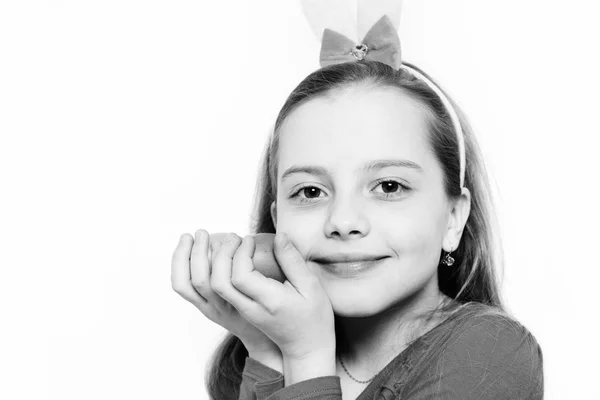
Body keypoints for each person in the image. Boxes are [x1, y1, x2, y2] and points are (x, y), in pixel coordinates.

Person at [170, 10, 544, 400]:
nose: (344, 221)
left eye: (388, 186)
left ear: (453, 218)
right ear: (277, 220)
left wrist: (306, 355)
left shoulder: (490, 351)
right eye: (311, 192)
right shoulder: (256, 361)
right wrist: (266, 352)